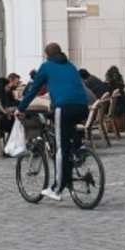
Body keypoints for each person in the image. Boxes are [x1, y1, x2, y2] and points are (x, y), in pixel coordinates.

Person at [17, 42, 90, 202]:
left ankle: (57, 188)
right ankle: (78, 151)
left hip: (64, 107)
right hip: (82, 107)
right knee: (68, 138)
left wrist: (20, 107)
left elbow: (33, 90)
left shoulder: (47, 66)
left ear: (47, 55)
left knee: (60, 148)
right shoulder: (70, 65)